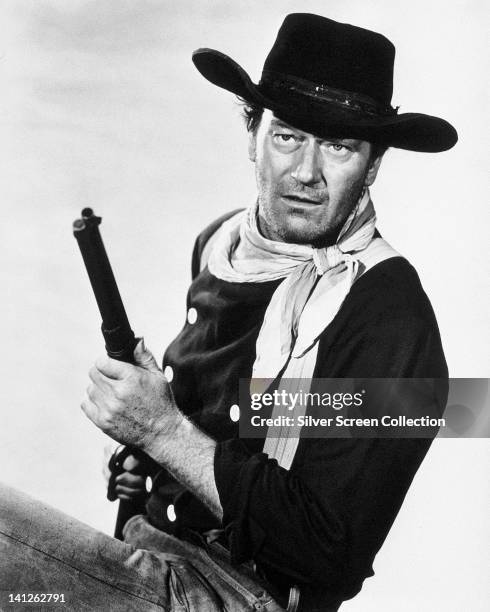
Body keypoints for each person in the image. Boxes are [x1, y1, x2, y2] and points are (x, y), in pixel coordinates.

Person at [0, 13, 456, 612]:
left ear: (373, 165)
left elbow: (330, 549)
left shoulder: (393, 315)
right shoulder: (220, 243)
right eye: (288, 136)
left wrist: (162, 431)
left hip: (237, 598)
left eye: (339, 147)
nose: (306, 174)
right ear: (252, 131)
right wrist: (148, 466)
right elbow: (235, 422)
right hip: (151, 557)